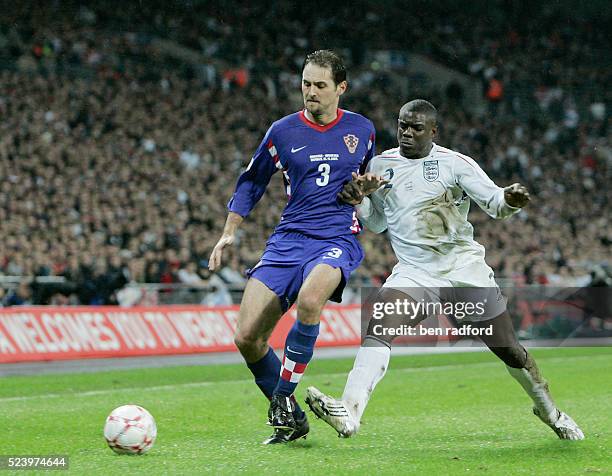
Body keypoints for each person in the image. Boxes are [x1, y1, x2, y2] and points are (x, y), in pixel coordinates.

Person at [305, 99, 584, 441]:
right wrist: (360, 200)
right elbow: (378, 223)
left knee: (509, 349)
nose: (407, 133)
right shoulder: (380, 164)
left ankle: (549, 411)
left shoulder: (455, 164)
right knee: (380, 323)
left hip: (463, 270)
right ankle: (350, 410)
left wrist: (510, 200)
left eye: (416, 128)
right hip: (416, 272)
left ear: (433, 131)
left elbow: (494, 203)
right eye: (402, 126)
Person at [208, 50, 376, 444]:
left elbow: (367, 182)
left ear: (341, 88)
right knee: (247, 337)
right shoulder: (282, 132)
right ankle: (294, 419)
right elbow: (252, 181)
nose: (311, 92)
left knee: (310, 300)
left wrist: (364, 193)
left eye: (320, 85)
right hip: (288, 240)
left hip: (336, 237)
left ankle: (281, 399)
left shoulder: (362, 129)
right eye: (306, 83)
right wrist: (229, 230)